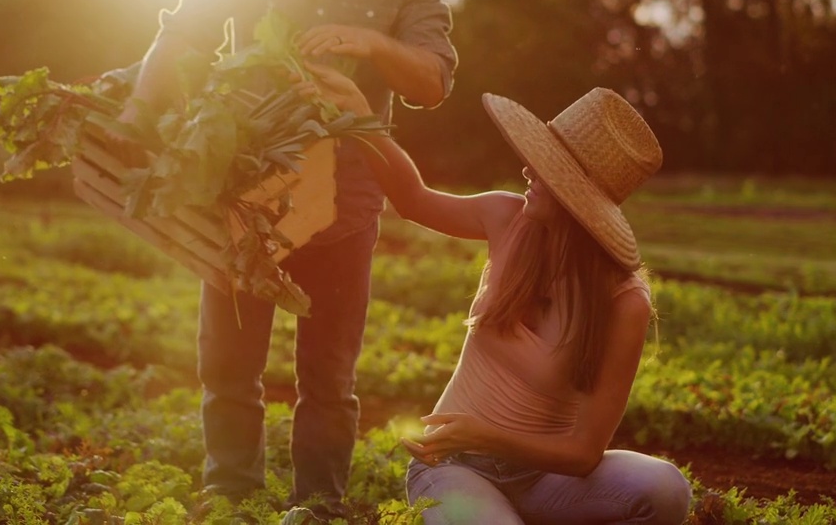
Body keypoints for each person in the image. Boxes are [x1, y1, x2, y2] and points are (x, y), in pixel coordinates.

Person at [108, 0, 457, 520]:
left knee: (328, 372)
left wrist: (371, 43)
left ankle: (318, 506)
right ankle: (229, 495)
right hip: (242, 175)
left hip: (348, 185)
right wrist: (137, 114)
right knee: (229, 361)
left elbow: (432, 82)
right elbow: (184, 30)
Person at [294, 63, 694, 524]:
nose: (527, 169)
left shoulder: (626, 302)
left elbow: (584, 455)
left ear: (577, 198)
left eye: (544, 168)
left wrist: (485, 435)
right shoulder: (506, 218)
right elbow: (412, 198)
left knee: (666, 489)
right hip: (453, 468)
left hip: (549, 481)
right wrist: (360, 115)